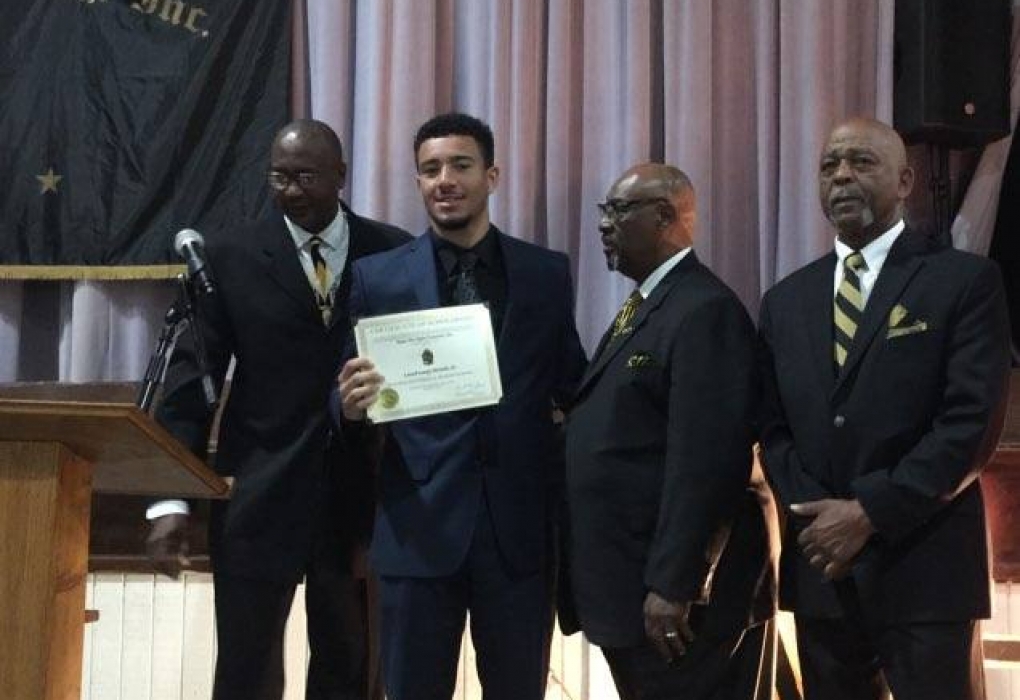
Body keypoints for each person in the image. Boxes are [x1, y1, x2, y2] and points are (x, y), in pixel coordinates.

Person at [146, 119, 410, 700]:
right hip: (257, 497)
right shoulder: (228, 256)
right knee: (246, 666)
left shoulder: (392, 251)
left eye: (306, 176)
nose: (290, 190)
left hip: (360, 501)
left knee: (351, 664)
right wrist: (169, 499)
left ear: (340, 176)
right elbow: (192, 383)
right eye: (279, 176)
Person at [757, 116, 1012, 700]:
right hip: (824, 572)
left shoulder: (962, 281)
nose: (842, 175)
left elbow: (969, 426)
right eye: (829, 165)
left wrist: (868, 512)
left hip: (924, 570)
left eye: (861, 162)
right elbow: (772, 429)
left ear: (904, 182)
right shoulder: (785, 301)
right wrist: (817, 520)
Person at [338, 112, 587, 700]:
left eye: (460, 165)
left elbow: (571, 382)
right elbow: (346, 389)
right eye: (429, 170)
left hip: (518, 533)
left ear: (492, 176)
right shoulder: (379, 278)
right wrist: (347, 404)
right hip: (418, 529)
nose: (443, 180)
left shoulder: (545, 273)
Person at [563, 163, 776, 700]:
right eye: (603, 212)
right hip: (632, 586)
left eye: (617, 211)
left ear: (664, 217)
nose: (604, 226)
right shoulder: (652, 304)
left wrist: (674, 584)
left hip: (678, 602)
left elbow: (706, 463)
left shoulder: (704, 310)